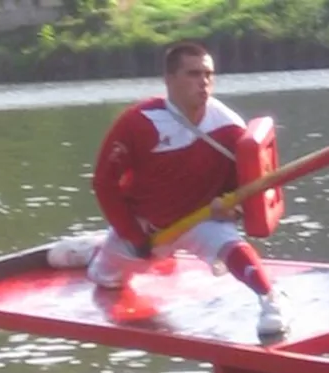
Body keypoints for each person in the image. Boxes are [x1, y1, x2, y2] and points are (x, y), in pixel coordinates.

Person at [47, 42, 289, 337]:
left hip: (200, 220)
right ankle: (96, 249)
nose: (204, 82)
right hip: (146, 227)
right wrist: (133, 236)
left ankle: (270, 300)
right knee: (105, 279)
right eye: (193, 74)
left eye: (209, 74)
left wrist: (233, 211)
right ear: (169, 79)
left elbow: (247, 188)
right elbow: (104, 183)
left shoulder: (230, 129)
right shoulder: (138, 123)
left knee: (231, 247)